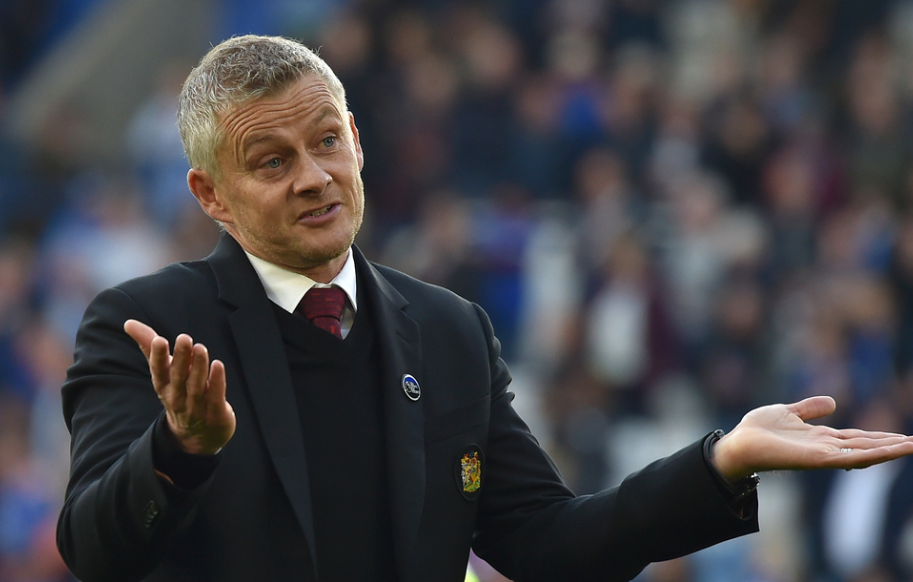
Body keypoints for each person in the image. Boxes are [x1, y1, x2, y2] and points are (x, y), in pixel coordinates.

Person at [55, 35, 913, 582]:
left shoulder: (448, 329)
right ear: (210, 195)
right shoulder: (147, 327)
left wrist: (718, 462)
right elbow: (93, 552)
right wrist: (178, 452)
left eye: (325, 142)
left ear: (355, 140)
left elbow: (546, 544)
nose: (314, 176)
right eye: (271, 161)